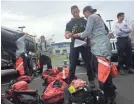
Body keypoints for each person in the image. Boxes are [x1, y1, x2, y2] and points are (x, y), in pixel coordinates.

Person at [73, 6, 116, 104]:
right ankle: (111, 91)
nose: (85, 17)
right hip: (104, 45)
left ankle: (108, 95)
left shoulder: (91, 17)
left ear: (87, 12)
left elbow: (87, 32)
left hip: (99, 47)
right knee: (105, 68)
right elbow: (105, 32)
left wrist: (77, 35)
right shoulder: (98, 17)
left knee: (102, 70)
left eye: (85, 15)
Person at [65, 5, 96, 87]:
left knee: (88, 62)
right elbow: (67, 34)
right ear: (71, 13)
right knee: (72, 63)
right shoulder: (69, 23)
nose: (75, 13)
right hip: (74, 44)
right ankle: (71, 81)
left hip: (84, 44)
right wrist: (68, 35)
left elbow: (90, 31)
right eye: (73, 12)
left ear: (79, 11)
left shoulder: (85, 21)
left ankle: (91, 79)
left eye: (76, 11)